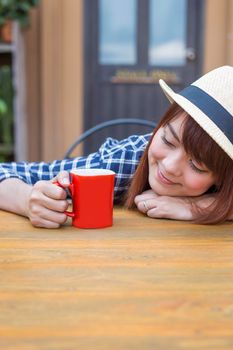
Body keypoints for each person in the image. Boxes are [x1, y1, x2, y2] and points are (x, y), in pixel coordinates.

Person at [0, 66, 232, 227]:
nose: (170, 166)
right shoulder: (124, 160)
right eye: (167, 140)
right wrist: (28, 200)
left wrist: (194, 208)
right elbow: (4, 173)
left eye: (197, 165)